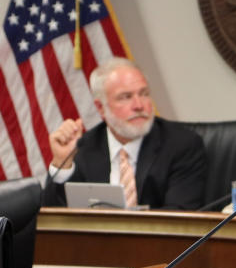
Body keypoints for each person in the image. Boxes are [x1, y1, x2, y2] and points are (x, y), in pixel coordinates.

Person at [41, 57, 207, 209]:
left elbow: (180, 217)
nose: (139, 105)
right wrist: (61, 163)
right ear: (101, 108)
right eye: (125, 97)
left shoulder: (181, 144)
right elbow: (54, 218)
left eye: (144, 94)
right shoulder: (84, 147)